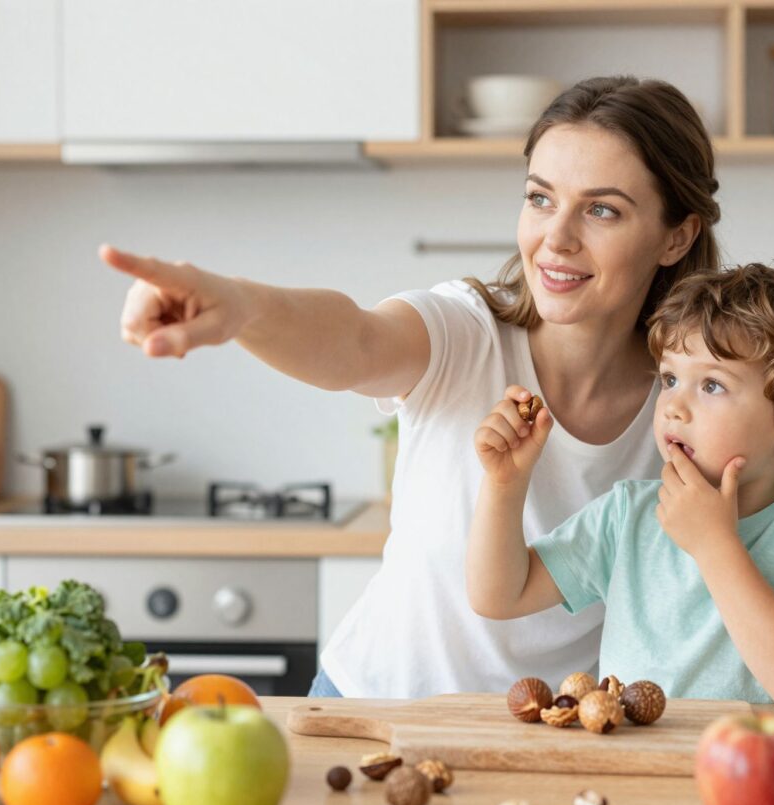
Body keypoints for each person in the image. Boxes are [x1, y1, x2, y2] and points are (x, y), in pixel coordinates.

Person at [102, 75, 723, 699]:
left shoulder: (692, 403)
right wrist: (241, 306)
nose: (555, 238)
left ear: (677, 236)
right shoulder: (467, 331)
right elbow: (355, 340)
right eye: (540, 198)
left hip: (546, 729)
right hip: (373, 705)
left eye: (601, 209)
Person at [466, 263, 774, 715]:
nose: (673, 408)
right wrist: (505, 484)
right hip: (634, 759)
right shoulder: (629, 514)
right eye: (669, 379)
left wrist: (714, 544)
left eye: (712, 385)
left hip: (757, 761)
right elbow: (498, 595)